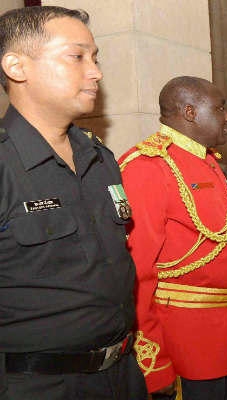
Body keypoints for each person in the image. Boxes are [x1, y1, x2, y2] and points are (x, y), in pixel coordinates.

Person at [0, 6, 146, 400]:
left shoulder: (100, 158)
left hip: (123, 374)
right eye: (77, 56)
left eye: (95, 58)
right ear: (16, 67)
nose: (96, 72)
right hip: (39, 385)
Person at [118, 76, 227, 400]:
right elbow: (136, 275)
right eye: (220, 108)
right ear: (190, 112)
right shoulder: (148, 167)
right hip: (188, 342)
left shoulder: (207, 160)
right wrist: (154, 364)